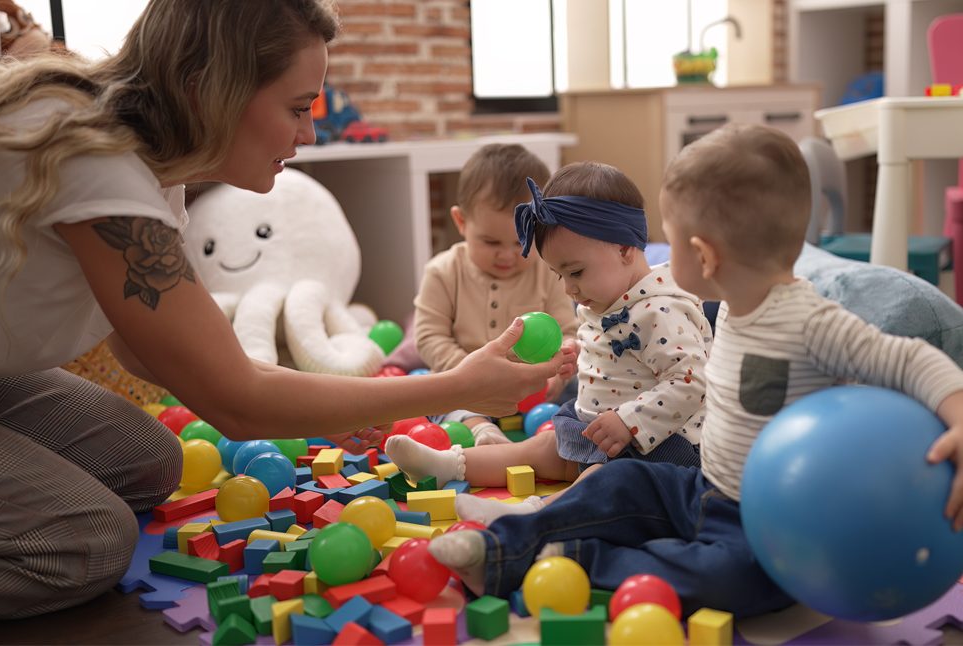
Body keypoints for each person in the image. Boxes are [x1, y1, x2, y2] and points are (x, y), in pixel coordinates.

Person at [0, 0, 571, 620]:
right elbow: (236, 400)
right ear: (209, 91)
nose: (309, 133)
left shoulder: (157, 168)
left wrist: (328, 404)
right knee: (90, 542)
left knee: (150, 462)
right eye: (296, 108)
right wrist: (453, 387)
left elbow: (155, 350)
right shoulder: (98, 162)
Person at [426, 124, 963, 618]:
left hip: (770, 527)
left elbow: (907, 357)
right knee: (619, 482)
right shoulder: (731, 302)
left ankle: (579, 558)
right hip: (701, 485)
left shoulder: (810, 320)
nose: (657, 257)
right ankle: (501, 546)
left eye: (671, 241)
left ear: (703, 256)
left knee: (735, 582)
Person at [388, 161, 712, 525]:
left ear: (624, 249)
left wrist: (629, 421)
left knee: (607, 480)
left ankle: (531, 515)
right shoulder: (606, 294)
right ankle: (449, 464)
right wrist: (575, 355)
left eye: (575, 272)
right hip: (598, 430)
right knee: (541, 447)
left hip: (658, 446)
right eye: (559, 275)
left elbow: (691, 382)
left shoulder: (661, 310)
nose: (567, 289)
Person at [413, 143, 579, 446]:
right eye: (490, 242)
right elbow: (429, 337)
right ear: (461, 222)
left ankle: (563, 435)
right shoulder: (443, 272)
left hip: (534, 388)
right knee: (439, 399)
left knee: (584, 389)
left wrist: (559, 368)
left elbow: (569, 331)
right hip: (467, 386)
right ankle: (483, 432)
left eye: (520, 242)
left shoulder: (548, 271)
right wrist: (468, 375)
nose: (507, 255)